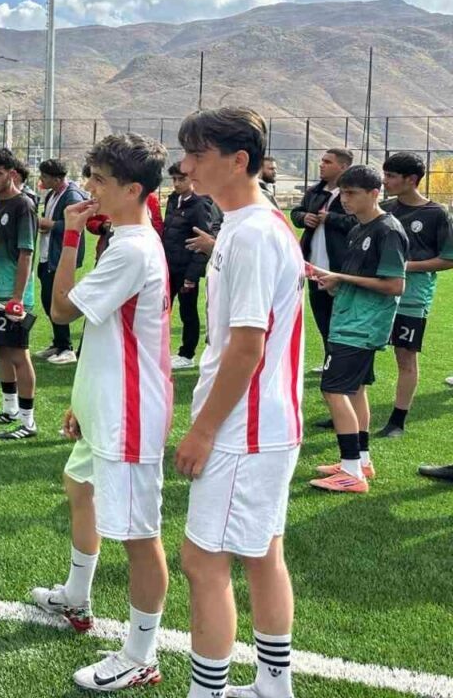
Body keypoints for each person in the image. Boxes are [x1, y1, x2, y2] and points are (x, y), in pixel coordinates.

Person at [174, 107, 305, 698]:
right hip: (268, 423)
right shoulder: (256, 223)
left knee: (203, 562)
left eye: (197, 154)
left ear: (239, 161)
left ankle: (208, 691)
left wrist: (202, 430)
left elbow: (246, 347)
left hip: (243, 430)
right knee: (263, 554)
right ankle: (274, 684)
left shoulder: (251, 232)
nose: (186, 166)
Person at [33, 133, 171, 692]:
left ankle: (141, 654)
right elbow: (107, 330)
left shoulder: (133, 248)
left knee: (140, 536)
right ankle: (76, 596)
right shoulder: (127, 240)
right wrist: (82, 399)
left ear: (132, 190)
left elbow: (62, 309)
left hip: (129, 413)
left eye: (100, 179)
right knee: (78, 487)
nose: (89, 187)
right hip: (106, 403)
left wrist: (68, 236)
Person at [307, 165, 407, 493]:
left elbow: (395, 285)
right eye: (343, 193)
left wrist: (342, 278)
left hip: (362, 326)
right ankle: (361, 461)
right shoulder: (358, 229)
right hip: (350, 319)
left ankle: (351, 472)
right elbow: (360, 279)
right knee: (354, 390)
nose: (345, 200)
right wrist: (334, 282)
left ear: (375, 194)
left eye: (352, 194)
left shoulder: (387, 230)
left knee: (332, 389)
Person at [376, 153, 453, 437]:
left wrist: (406, 266)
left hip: (413, 295)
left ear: (411, 179)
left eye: (391, 176)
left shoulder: (437, 214)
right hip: (377, 291)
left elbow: (448, 259)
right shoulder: (384, 209)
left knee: (405, 356)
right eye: (384, 175)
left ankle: (397, 421)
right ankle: (347, 411)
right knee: (361, 349)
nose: (385, 181)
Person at [0, 148, 39, 440]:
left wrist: (17, 297)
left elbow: (26, 253)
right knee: (2, 350)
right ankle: (10, 409)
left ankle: (28, 422)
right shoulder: (0, 205)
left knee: (19, 355)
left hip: (14, 296)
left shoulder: (23, 205)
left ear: (12, 174)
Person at [291, 149, 356, 370]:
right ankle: (330, 361)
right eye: (322, 161)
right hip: (313, 269)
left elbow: (360, 222)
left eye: (327, 162)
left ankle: (342, 363)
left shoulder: (352, 193)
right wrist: (303, 217)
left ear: (343, 167)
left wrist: (332, 218)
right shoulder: (315, 191)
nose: (321, 165)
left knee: (343, 320)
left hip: (341, 269)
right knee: (322, 317)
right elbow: (296, 213)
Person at [162, 162, 222, 371]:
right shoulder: (173, 199)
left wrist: (192, 275)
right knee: (161, 310)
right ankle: (160, 350)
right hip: (169, 266)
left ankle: (187, 354)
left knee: (187, 312)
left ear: (192, 180)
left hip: (186, 269)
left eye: (182, 179)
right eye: (174, 179)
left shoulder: (200, 204)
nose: (177, 183)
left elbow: (203, 241)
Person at [37, 158, 87, 364]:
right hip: (47, 254)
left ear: (57, 179)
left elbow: (74, 225)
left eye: (45, 176)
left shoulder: (72, 195)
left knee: (55, 300)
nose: (41, 179)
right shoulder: (52, 194)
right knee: (47, 300)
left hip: (60, 257)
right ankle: (58, 343)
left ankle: (66, 347)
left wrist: (49, 224)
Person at [84, 188, 164, 261]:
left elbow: (157, 225)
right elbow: (91, 221)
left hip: (139, 251)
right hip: (107, 248)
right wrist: (101, 226)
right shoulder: (108, 196)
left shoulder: (149, 198)